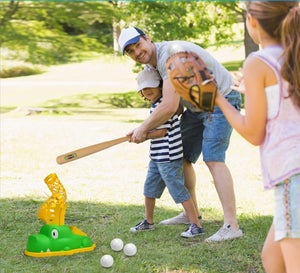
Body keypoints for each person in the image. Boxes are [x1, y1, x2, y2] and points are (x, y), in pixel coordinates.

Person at [118, 27, 243, 242]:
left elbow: (168, 106)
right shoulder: (153, 65)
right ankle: (190, 214)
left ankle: (232, 226)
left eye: (138, 44)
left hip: (221, 101)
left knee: (213, 159)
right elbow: (174, 108)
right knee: (181, 156)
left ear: (147, 38)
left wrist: (143, 128)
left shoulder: (171, 54)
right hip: (197, 108)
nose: (136, 52)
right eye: (130, 51)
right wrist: (147, 130)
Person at [215, 2, 300, 272]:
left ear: (252, 21)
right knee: (272, 260)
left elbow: (253, 132)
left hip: (292, 176)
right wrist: (250, 91)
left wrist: (218, 98)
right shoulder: (293, 54)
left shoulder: (258, 61)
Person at [130, 68, 203, 238]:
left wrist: (142, 135)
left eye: (151, 87)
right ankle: (148, 222)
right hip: (157, 157)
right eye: (144, 89)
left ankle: (196, 224)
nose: (147, 91)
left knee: (178, 190)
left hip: (169, 157)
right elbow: (150, 127)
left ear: (161, 86)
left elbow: (161, 132)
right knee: (149, 189)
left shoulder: (163, 106)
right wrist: (138, 131)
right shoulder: (156, 105)